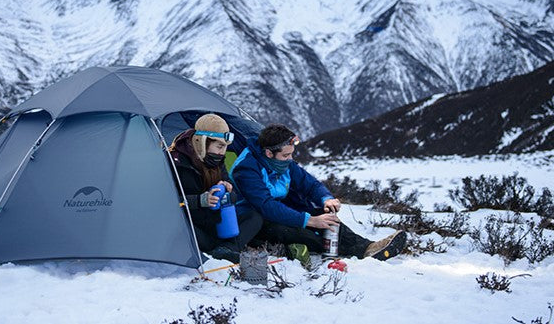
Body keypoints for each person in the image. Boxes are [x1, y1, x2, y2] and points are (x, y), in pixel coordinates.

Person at [231, 123, 406, 264]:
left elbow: (309, 184)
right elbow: (266, 206)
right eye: (286, 155)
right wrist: (311, 221)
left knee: (325, 218)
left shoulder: (282, 163)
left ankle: (367, 247)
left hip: (278, 212)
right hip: (251, 220)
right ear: (269, 153)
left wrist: (326, 199)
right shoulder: (246, 167)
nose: (290, 159)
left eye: (291, 154)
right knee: (306, 233)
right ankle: (334, 250)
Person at [169, 113, 263, 263]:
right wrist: (200, 200)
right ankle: (227, 248)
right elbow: (168, 204)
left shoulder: (217, 160)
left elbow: (233, 196)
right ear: (202, 142)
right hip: (193, 225)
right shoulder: (176, 163)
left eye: (225, 147)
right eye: (219, 146)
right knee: (184, 231)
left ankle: (225, 249)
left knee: (254, 217)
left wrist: (228, 191)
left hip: (216, 221)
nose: (222, 152)